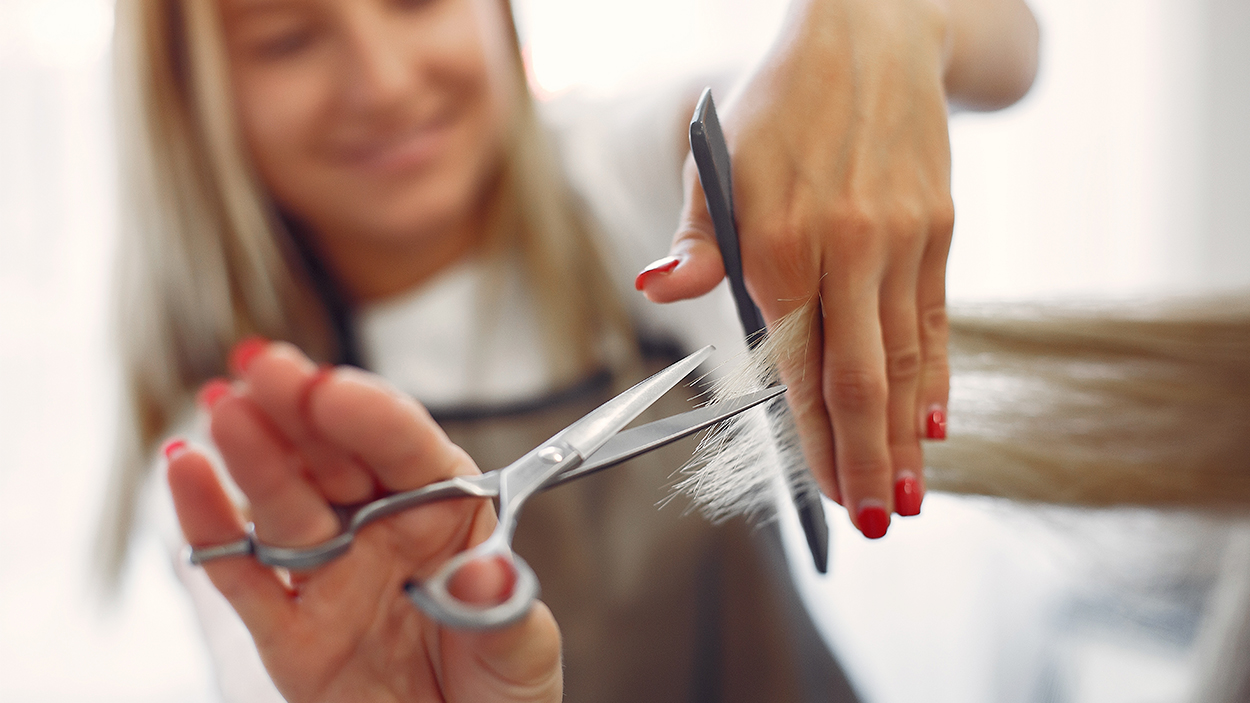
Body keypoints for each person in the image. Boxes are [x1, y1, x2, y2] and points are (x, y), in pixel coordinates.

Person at [98, 0, 1042, 699]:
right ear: (197, 96)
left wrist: (877, 28)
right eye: (289, 38)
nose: (381, 84)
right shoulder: (239, 462)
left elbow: (1015, 44)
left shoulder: (632, 183)